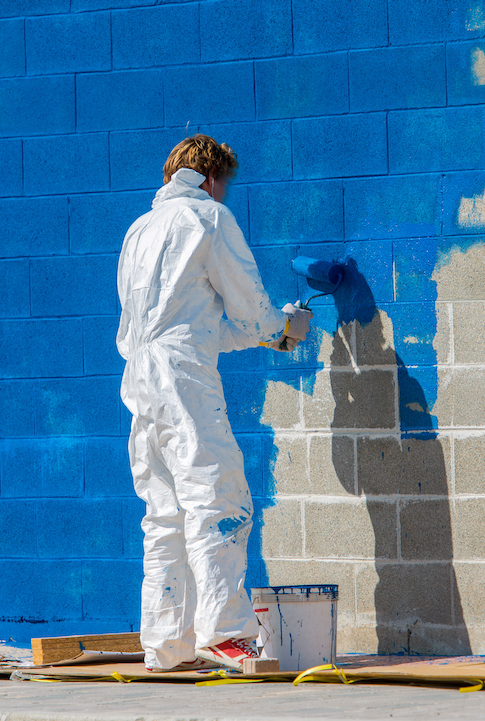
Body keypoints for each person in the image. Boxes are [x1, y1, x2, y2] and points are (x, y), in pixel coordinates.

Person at [116, 135, 312, 672]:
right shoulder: (208, 218)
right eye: (224, 183)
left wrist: (261, 334)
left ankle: (165, 647)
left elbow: (188, 325)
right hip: (184, 384)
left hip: (141, 383)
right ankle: (226, 634)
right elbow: (248, 306)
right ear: (209, 179)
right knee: (219, 499)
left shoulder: (139, 230)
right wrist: (282, 328)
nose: (225, 193)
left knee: (164, 516)